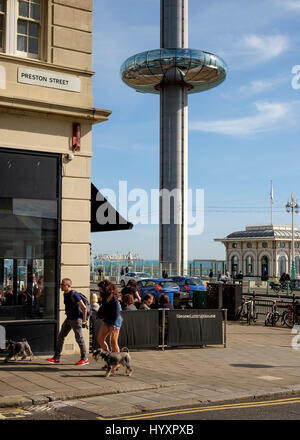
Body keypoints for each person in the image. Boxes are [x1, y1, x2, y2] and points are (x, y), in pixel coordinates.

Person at [46, 278, 89, 365]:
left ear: (68, 286)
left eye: (62, 284)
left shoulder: (74, 294)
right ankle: (56, 357)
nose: (60, 286)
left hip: (76, 320)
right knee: (60, 337)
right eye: (61, 284)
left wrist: (84, 320)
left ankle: (84, 358)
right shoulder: (65, 294)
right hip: (68, 319)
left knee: (79, 339)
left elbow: (84, 308)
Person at [97, 280, 123, 361]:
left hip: (115, 320)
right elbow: (104, 307)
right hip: (107, 320)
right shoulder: (104, 296)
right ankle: (108, 358)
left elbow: (116, 312)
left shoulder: (113, 297)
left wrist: (114, 325)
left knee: (113, 342)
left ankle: (117, 362)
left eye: (100, 288)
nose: (99, 290)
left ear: (105, 288)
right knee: (100, 339)